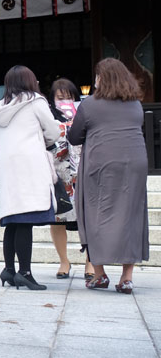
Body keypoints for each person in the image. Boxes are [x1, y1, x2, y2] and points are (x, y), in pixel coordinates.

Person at [67, 58, 149, 294]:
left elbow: (74, 137)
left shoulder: (90, 104)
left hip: (101, 164)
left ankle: (100, 273)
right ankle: (126, 277)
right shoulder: (135, 104)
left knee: (95, 212)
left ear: (101, 79)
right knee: (131, 215)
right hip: (135, 163)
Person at [0, 65, 60, 290]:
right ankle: (25, 273)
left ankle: (8, 270)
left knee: (12, 219)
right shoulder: (36, 102)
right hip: (29, 164)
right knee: (26, 219)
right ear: (30, 81)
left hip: (5, 164)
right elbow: (53, 131)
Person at [47, 78, 93, 280]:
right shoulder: (47, 115)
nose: (65, 100)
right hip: (60, 173)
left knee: (90, 218)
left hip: (83, 170)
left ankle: (91, 262)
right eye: (60, 97)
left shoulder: (86, 111)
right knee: (58, 219)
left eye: (69, 97)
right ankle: (64, 261)